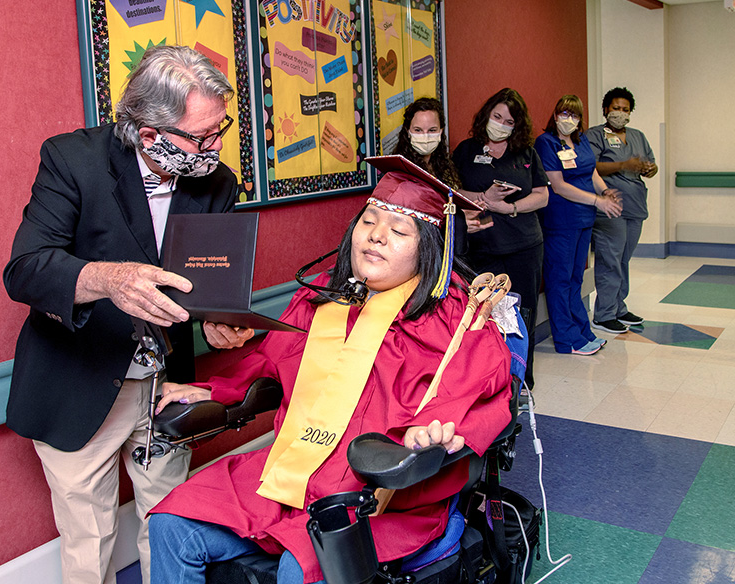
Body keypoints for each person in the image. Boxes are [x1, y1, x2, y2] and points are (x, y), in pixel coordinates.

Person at [148, 163, 514, 584]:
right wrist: (213, 391)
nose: (376, 235)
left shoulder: (455, 322)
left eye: (399, 231)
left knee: (299, 566)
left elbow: (485, 396)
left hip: (380, 499)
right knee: (171, 523)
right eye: (370, 220)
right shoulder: (320, 297)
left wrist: (427, 433)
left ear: (428, 247)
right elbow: (270, 364)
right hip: (290, 474)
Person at [3, 45, 254, 584]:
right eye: (201, 136)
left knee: (168, 520)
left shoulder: (218, 182)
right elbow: (25, 269)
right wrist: (106, 279)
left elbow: (204, 282)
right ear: (148, 134)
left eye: (220, 129)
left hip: (165, 384)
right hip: (79, 376)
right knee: (89, 538)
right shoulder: (73, 161)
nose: (216, 146)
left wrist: (215, 321)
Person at [453, 88, 549, 389]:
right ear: (486, 116)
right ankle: (487, 383)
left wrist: (510, 207)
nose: (501, 124)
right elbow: (451, 191)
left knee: (522, 316)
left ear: (516, 126)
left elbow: (543, 195)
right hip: (481, 249)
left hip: (524, 247)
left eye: (509, 121)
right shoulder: (466, 151)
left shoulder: (525, 153)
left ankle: (521, 381)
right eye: (496, 117)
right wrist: (484, 197)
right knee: (483, 317)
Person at [533, 95, 622, 356]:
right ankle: (567, 339)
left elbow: (591, 172)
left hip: (584, 220)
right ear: (555, 114)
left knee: (575, 278)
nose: (569, 119)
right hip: (562, 220)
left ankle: (582, 330)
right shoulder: (546, 142)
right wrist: (597, 201)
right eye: (564, 113)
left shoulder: (580, 142)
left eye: (574, 115)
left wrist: (606, 192)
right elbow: (558, 186)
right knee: (559, 279)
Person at [586, 87, 657, 334]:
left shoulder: (637, 135)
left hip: (635, 205)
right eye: (616, 108)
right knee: (610, 258)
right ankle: (604, 314)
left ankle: (618, 307)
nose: (620, 114)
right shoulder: (595, 135)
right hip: (610, 205)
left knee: (623, 259)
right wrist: (623, 165)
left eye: (625, 110)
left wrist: (649, 169)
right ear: (606, 109)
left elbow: (651, 164)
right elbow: (590, 167)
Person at [392, 97, 491, 252]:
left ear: (441, 131)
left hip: (447, 252)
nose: (425, 136)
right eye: (418, 130)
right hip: (417, 253)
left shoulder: (444, 167)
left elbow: (444, 207)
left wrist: (465, 212)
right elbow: (406, 222)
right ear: (408, 131)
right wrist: (458, 224)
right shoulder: (399, 170)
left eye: (432, 130)